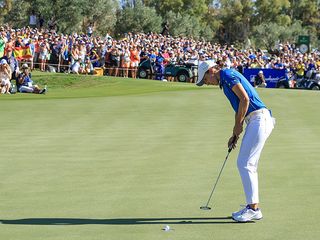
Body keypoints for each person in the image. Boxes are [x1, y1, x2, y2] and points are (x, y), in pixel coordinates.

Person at [196, 61, 275, 223]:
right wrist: (235, 135)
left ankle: (253, 209)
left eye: (206, 79)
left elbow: (244, 100)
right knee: (248, 164)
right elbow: (241, 106)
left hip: (259, 119)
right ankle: (253, 207)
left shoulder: (226, 74)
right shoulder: (224, 82)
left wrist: (237, 126)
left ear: (211, 71)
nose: (208, 83)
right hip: (255, 120)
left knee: (245, 164)